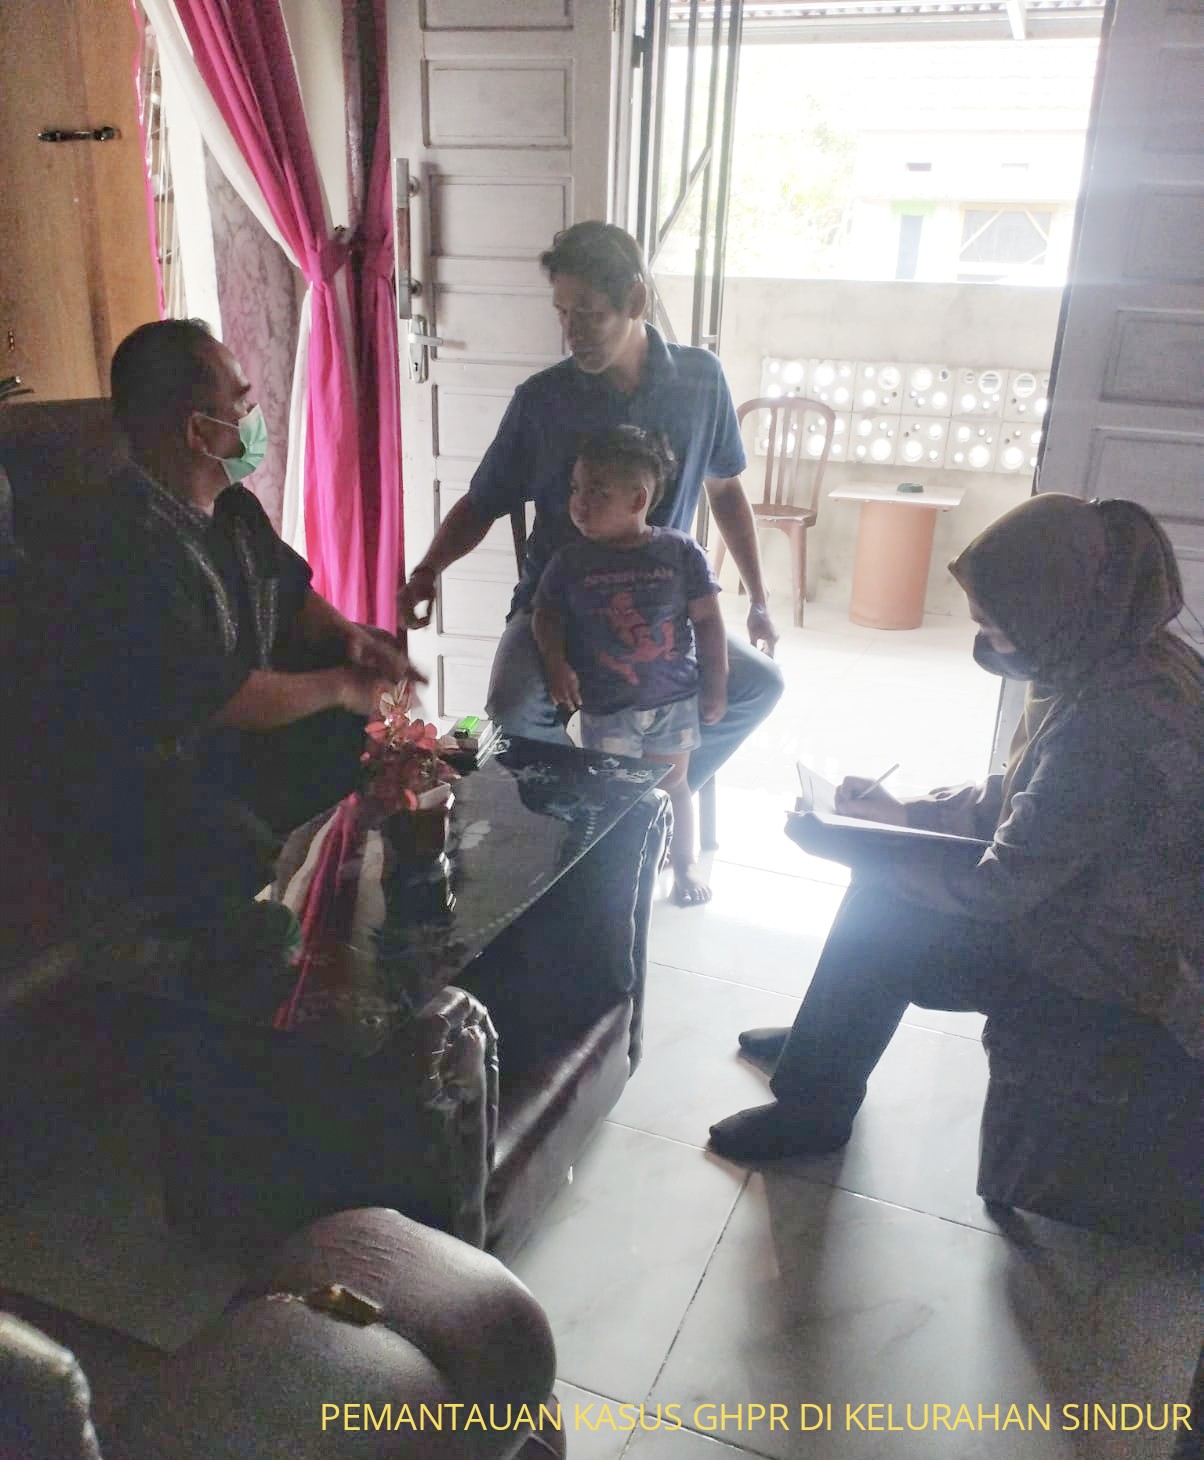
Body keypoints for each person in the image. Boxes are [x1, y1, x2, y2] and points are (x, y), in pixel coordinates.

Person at [708, 494, 1204, 1164]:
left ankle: (813, 1109)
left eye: (994, 628)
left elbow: (1001, 888)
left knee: (886, 909)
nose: (985, 643)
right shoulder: (1118, 657)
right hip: (1089, 909)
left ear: (1048, 613)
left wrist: (860, 849)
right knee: (887, 879)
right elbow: (1027, 799)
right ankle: (817, 1048)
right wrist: (902, 813)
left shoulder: (1109, 726)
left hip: (1115, 965)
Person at [397, 221, 784, 792]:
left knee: (760, 685)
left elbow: (725, 492)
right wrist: (428, 571)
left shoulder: (700, 382)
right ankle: (585, 812)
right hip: (557, 609)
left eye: (589, 314)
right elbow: (483, 501)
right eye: (562, 313)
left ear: (635, 300)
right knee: (512, 711)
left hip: (661, 617)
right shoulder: (543, 400)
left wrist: (758, 599)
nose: (572, 333)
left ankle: (644, 801)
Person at [38, 318, 418, 896]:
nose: (252, 415)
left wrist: (355, 642)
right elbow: (219, 696)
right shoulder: (125, 546)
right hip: (163, 771)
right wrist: (342, 686)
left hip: (241, 741)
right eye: (240, 402)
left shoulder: (234, 507)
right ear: (198, 430)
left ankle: (353, 890)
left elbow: (289, 592)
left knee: (374, 741)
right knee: (242, 832)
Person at [533, 426, 727, 905]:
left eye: (597, 492)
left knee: (675, 786)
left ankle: (683, 864)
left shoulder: (680, 552)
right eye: (576, 489)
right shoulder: (570, 562)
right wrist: (556, 664)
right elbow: (546, 617)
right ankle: (620, 868)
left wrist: (716, 684)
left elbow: (708, 620)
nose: (579, 503)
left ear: (638, 499)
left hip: (673, 700)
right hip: (608, 706)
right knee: (613, 794)